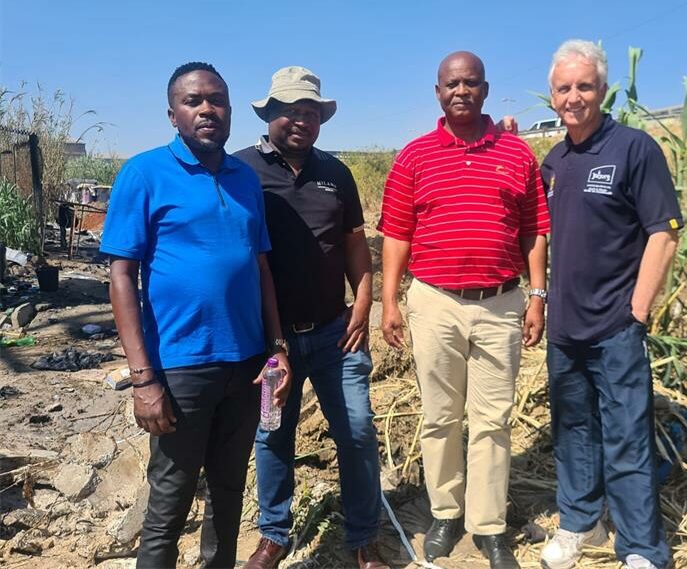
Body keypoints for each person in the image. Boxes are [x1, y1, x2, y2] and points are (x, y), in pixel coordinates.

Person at [101, 62, 291, 568]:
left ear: (229, 110)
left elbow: (261, 267)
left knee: (229, 493)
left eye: (217, 100)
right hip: (182, 367)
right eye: (193, 101)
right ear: (173, 114)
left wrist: (276, 348)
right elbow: (122, 277)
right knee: (170, 499)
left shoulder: (245, 180)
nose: (207, 109)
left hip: (248, 364)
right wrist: (144, 379)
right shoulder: (143, 174)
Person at [379, 51, 550, 569]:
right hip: (434, 303)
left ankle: (489, 525)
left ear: (485, 89)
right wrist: (389, 299)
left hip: (500, 303)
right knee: (439, 417)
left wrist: (537, 294)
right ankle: (446, 512)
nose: (460, 91)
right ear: (437, 92)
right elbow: (396, 233)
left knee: (493, 419)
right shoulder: (414, 156)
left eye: (470, 83)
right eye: (451, 83)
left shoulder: (517, 154)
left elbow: (533, 230)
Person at [234, 66, 388, 569]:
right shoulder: (241, 172)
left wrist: (362, 305)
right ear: (270, 114)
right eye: (291, 111)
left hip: (332, 335)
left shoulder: (335, 173)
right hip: (268, 345)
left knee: (359, 431)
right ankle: (274, 534)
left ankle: (363, 536)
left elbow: (355, 249)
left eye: (311, 113)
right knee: (271, 432)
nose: (302, 121)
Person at [538, 40, 682, 569]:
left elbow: (663, 234)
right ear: (552, 97)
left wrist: (637, 311)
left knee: (626, 436)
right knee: (573, 432)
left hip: (616, 326)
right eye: (563, 88)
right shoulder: (554, 161)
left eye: (584, 86)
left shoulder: (634, 148)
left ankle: (641, 547)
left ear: (602, 90)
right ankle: (580, 523)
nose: (573, 97)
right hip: (564, 328)